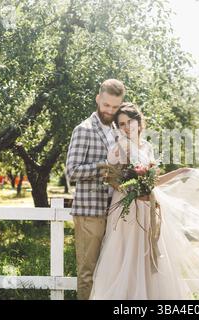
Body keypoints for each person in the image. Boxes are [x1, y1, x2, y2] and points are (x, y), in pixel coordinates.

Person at [89, 103, 191, 299]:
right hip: (127, 210)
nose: (126, 127)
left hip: (147, 208)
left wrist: (179, 172)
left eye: (130, 122)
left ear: (139, 121)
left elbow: (153, 183)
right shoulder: (117, 146)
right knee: (124, 257)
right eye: (121, 124)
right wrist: (128, 184)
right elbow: (111, 177)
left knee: (146, 257)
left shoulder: (147, 147)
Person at [65, 79, 125, 300]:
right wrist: (102, 168)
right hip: (90, 212)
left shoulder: (120, 130)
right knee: (88, 273)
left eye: (115, 107)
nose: (109, 111)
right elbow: (72, 171)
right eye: (106, 105)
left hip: (115, 212)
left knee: (109, 273)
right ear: (98, 98)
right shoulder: (84, 130)